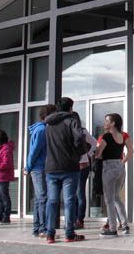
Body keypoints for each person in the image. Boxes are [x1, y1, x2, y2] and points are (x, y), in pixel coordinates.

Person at [44, 97, 90, 243]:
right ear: (70, 107)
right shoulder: (72, 121)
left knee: (52, 201)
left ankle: (50, 234)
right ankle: (69, 234)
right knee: (70, 200)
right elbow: (79, 140)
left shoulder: (49, 124)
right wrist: (79, 154)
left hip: (51, 167)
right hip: (69, 167)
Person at [96, 113, 132, 237]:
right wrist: (123, 162)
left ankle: (112, 228)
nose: (105, 123)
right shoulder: (123, 135)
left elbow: (99, 153)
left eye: (107, 121)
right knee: (117, 197)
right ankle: (125, 225)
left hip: (109, 167)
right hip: (120, 167)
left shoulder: (106, 136)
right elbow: (130, 151)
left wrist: (96, 153)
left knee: (109, 200)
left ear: (113, 123)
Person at [27, 104, 55, 238]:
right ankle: (42, 228)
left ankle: (37, 228)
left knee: (39, 199)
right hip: (39, 168)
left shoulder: (41, 129)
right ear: (47, 116)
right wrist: (28, 166)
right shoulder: (42, 130)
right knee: (43, 197)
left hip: (39, 167)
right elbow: (34, 151)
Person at [75, 119, 97, 229]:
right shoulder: (68, 130)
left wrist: (88, 154)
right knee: (73, 193)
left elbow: (95, 143)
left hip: (82, 165)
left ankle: (79, 219)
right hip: (72, 165)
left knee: (79, 192)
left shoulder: (82, 131)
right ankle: (74, 219)